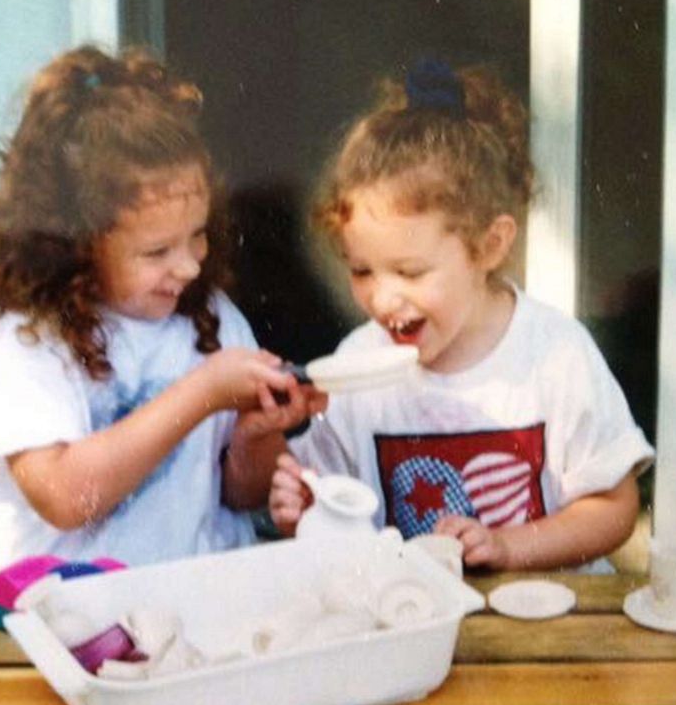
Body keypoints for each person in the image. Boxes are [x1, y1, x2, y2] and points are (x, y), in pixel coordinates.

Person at [0, 46, 321, 574]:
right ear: (76, 246)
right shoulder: (28, 335)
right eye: (157, 252)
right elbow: (68, 498)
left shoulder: (211, 317)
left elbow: (241, 493)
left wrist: (257, 432)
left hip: (189, 595)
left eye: (198, 236)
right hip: (52, 604)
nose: (188, 267)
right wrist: (202, 394)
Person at [269, 59, 654, 572]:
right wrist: (307, 514)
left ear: (489, 246)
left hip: (546, 628)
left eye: (409, 271)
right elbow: (337, 514)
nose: (383, 300)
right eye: (362, 270)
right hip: (412, 618)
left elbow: (615, 508)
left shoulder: (555, 353)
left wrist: (508, 546)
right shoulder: (358, 364)